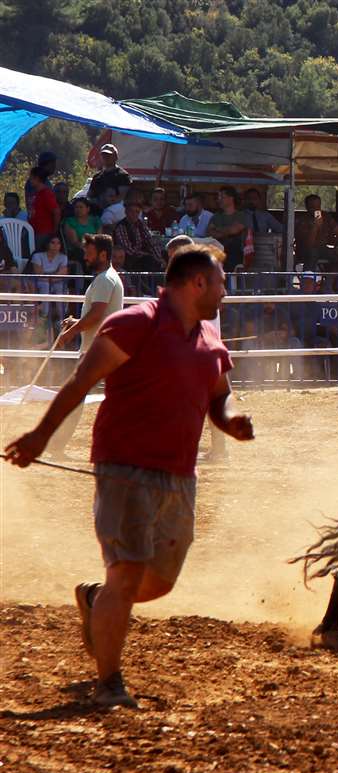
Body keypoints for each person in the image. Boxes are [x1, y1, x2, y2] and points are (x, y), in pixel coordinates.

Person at [4, 245, 252, 709]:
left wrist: (232, 420)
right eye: (220, 281)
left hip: (180, 474)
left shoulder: (210, 342)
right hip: (125, 468)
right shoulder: (133, 324)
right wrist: (39, 436)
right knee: (129, 570)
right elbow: (80, 382)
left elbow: (221, 398)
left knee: (161, 581)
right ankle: (110, 682)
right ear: (196, 282)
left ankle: (97, 601)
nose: (225, 291)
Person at [45, 234, 125, 459]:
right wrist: (75, 323)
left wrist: (71, 332)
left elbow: (96, 314)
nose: (85, 256)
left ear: (102, 254)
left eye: (89, 252)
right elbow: (96, 314)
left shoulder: (104, 280)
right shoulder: (106, 278)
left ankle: (57, 445)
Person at [111, 198, 166, 272]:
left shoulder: (141, 225)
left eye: (137, 212)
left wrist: (159, 258)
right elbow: (128, 249)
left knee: (164, 255)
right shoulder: (121, 226)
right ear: (126, 212)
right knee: (149, 260)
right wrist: (146, 255)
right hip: (129, 259)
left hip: (144, 257)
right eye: (131, 211)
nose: (134, 214)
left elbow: (151, 242)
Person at [208, 187, 251, 271]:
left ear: (231, 198)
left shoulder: (241, 215)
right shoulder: (216, 216)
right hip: (218, 252)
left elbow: (234, 230)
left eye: (222, 197)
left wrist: (217, 229)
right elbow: (210, 233)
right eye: (218, 197)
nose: (219, 200)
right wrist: (227, 231)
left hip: (235, 254)